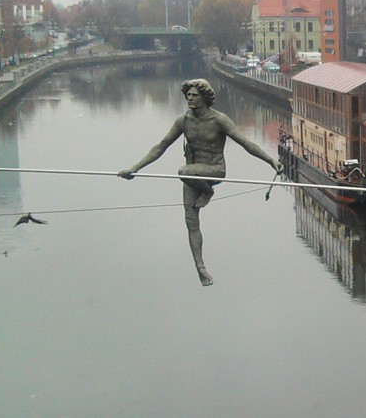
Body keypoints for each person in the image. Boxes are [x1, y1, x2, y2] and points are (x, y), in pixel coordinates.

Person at [119, 78, 282, 286]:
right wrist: (135, 168)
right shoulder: (183, 120)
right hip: (192, 174)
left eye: (195, 95)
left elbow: (246, 143)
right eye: (188, 95)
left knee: (183, 171)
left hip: (213, 171)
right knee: (191, 221)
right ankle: (201, 268)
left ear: (205, 98)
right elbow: (161, 146)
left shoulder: (219, 120)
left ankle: (208, 192)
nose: (190, 98)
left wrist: (271, 161)